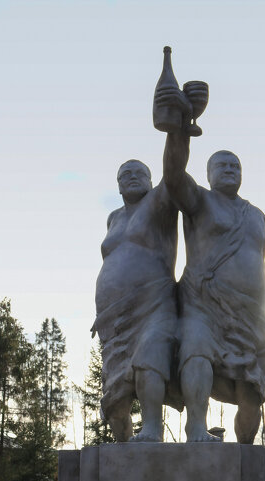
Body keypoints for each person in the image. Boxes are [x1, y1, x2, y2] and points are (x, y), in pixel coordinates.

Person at [161, 95, 265, 444]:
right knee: (196, 351)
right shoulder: (200, 201)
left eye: (235, 165)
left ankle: (246, 453)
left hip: (249, 318)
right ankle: (196, 428)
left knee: (252, 393)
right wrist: (179, 132)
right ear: (208, 175)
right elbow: (173, 176)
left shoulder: (258, 216)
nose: (229, 169)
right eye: (221, 165)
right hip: (203, 307)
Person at [92, 159, 181, 441]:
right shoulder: (114, 218)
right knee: (115, 399)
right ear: (118, 186)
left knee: (148, 361)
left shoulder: (161, 204)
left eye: (139, 173)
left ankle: (153, 428)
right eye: (125, 174)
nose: (132, 177)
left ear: (151, 180)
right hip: (114, 318)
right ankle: (124, 453)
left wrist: (176, 125)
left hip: (154, 303)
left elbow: (175, 165)